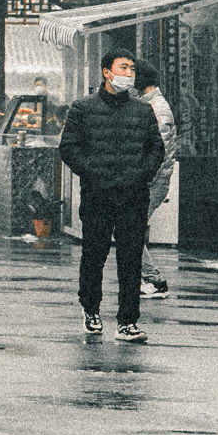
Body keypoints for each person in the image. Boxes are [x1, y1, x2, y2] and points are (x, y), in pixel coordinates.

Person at [57, 47, 166, 343]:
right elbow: (69, 148)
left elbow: (156, 148)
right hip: (98, 194)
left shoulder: (142, 110)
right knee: (94, 255)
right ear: (107, 72)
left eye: (132, 69)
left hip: (133, 195)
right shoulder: (83, 108)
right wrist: (93, 173)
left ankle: (128, 321)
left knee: (130, 259)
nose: (129, 73)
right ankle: (91, 309)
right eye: (123, 68)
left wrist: (141, 174)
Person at [134, 64, 178, 301]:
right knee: (130, 229)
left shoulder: (158, 108)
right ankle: (149, 279)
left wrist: (142, 178)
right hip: (150, 181)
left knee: (129, 229)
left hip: (152, 182)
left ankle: (154, 280)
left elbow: (157, 151)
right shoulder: (148, 105)